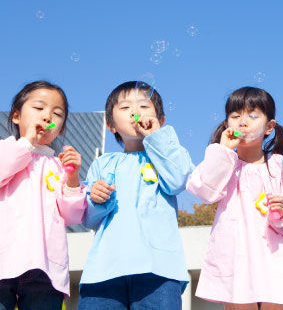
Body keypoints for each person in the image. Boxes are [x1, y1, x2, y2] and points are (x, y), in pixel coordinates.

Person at [78, 81, 194, 310]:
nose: (135, 112)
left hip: (159, 270)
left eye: (144, 106)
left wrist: (157, 138)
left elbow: (178, 179)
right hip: (104, 270)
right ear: (111, 125)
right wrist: (96, 199)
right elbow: (88, 218)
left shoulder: (168, 154)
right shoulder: (103, 163)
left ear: (161, 121)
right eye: (124, 108)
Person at [187, 86, 283, 309]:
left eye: (252, 115)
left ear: (270, 127)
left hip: (273, 257)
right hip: (235, 259)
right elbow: (202, 189)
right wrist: (223, 151)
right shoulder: (222, 161)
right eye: (235, 116)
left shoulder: (280, 166)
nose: (243, 121)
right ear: (226, 125)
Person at [0, 81, 86, 310]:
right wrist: (26, 143)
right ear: (16, 116)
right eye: (39, 108)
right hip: (3, 261)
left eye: (57, 114)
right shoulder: (6, 149)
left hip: (46, 269)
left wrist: (73, 179)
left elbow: (73, 215)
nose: (48, 116)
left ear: (61, 129)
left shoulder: (58, 166)